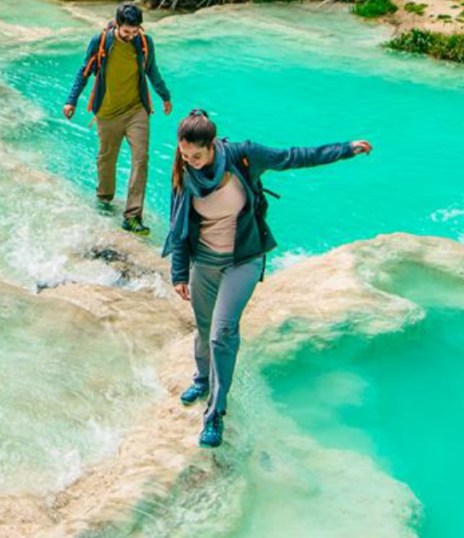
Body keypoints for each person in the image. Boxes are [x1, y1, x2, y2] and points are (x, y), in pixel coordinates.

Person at [163, 110, 372, 448]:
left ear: (213, 145)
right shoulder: (183, 171)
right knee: (203, 329)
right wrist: (179, 272)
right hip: (204, 261)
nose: (191, 162)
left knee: (222, 333)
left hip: (243, 259)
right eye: (185, 155)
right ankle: (201, 379)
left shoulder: (244, 155)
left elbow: (292, 157)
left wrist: (345, 149)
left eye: (197, 156)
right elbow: (179, 226)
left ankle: (215, 413)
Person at [63, 2, 172, 235]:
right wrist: (71, 101)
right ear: (117, 25)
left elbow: (152, 71)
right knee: (106, 158)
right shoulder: (101, 42)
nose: (130, 36)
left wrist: (165, 95)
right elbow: (83, 71)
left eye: (135, 31)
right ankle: (104, 200)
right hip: (108, 112)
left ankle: (132, 216)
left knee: (141, 159)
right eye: (126, 32)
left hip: (136, 110)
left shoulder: (144, 43)